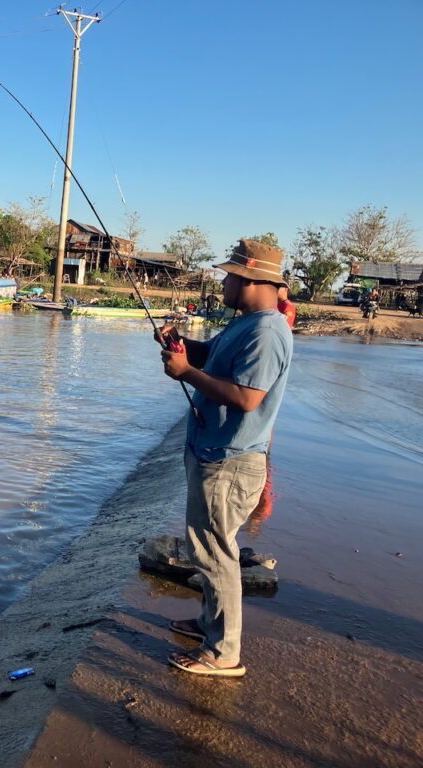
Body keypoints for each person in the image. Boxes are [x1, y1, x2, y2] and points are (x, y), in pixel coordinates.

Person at [156, 239, 293, 678]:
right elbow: (211, 357)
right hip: (214, 452)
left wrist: (186, 374)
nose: (224, 282)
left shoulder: (267, 332)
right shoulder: (246, 323)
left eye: (230, 276)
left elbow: (247, 398)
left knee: (215, 555)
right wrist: (182, 346)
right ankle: (210, 625)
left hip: (230, 462)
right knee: (210, 550)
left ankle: (223, 653)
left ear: (252, 279)